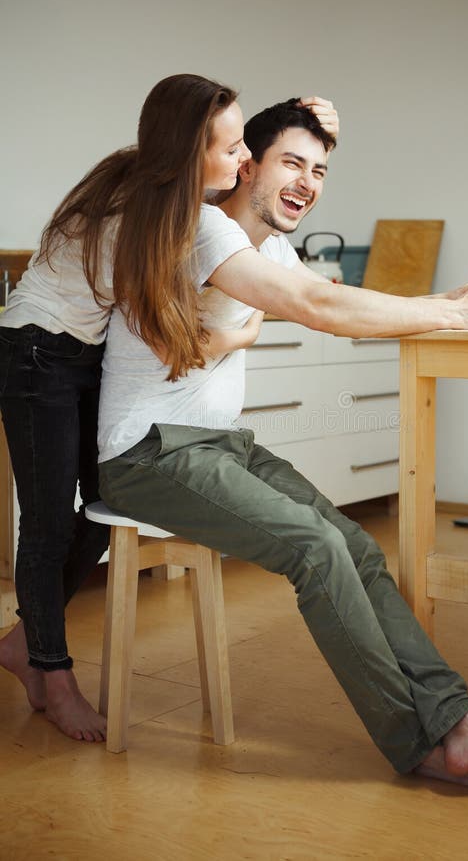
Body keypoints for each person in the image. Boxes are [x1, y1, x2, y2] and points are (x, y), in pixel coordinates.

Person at [97, 97, 468, 791]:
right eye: (291, 163)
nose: (308, 182)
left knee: (355, 545)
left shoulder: (269, 245)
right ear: (245, 164)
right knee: (317, 548)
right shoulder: (204, 227)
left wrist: (448, 300)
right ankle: (418, 740)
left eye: (320, 169)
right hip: (146, 454)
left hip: (213, 445)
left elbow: (343, 302)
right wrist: (449, 315)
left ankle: (461, 723)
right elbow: (322, 309)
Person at [0, 75, 318, 743]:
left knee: (95, 508)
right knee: (53, 522)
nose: (242, 162)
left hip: (78, 354)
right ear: (187, 152)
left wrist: (296, 119)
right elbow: (181, 345)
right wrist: (243, 332)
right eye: (232, 149)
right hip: (37, 351)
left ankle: (24, 642)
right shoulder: (147, 209)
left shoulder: (165, 187)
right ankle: (52, 674)